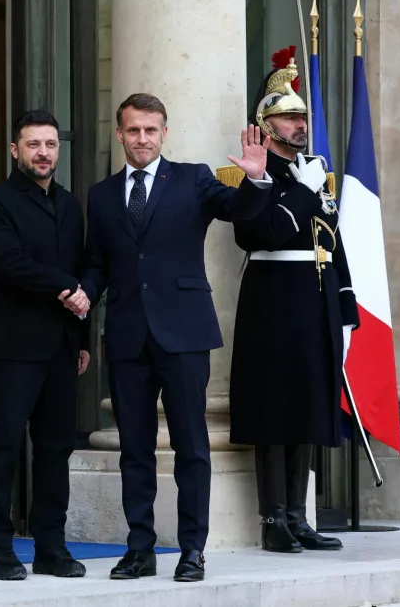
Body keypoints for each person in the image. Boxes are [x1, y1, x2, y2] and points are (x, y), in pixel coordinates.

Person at [78, 93, 272, 583]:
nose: (142, 139)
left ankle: (192, 551)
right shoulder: (101, 195)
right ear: (119, 134)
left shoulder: (192, 178)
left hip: (183, 332)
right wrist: (85, 294)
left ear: (164, 133)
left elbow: (239, 211)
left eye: (151, 130)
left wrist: (254, 178)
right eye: (133, 130)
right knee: (134, 450)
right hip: (125, 335)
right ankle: (139, 549)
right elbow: (98, 262)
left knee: (191, 446)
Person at [223, 47, 356, 553]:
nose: (299, 123)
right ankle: (272, 519)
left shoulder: (313, 171)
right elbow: (260, 234)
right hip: (273, 301)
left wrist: (345, 307)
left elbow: (332, 240)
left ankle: (299, 516)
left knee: (306, 407)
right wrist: (299, 190)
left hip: (314, 299)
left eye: (301, 115)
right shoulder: (256, 177)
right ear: (266, 122)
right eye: (287, 116)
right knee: (274, 410)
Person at [0, 109, 92, 581]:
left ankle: (51, 547)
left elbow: (83, 268)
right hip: (13, 347)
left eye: (50, 144)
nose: (42, 152)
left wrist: (81, 338)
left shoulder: (68, 204)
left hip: (62, 347)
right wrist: (65, 287)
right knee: (2, 448)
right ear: (15, 150)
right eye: (33, 144)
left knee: (55, 450)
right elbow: (9, 264)